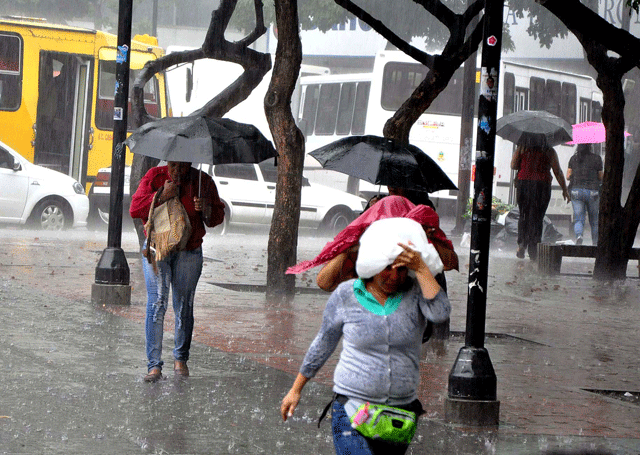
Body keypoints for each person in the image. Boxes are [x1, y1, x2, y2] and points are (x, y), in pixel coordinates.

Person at [281, 218, 451, 455]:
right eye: (387, 268)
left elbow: (441, 313)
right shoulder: (346, 295)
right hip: (352, 409)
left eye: (402, 269)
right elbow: (324, 342)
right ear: (373, 265)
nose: (394, 276)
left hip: (399, 415)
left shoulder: (415, 293)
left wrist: (422, 268)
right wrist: (296, 389)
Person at [130, 161, 225, 382]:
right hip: (157, 249)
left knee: (184, 305)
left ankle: (180, 359)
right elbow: (135, 208)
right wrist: (162, 194)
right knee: (157, 302)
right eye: (173, 166)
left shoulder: (203, 182)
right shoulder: (155, 177)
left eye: (182, 167)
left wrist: (206, 209)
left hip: (189, 251)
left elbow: (216, 218)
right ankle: (154, 365)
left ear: (189, 164)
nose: (176, 171)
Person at [511, 137, 570, 260]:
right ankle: (533, 249)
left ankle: (521, 245)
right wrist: (564, 189)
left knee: (524, 214)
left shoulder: (522, 148)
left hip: (524, 183)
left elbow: (513, 165)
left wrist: (522, 155)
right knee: (537, 217)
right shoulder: (549, 151)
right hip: (541, 186)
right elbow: (557, 171)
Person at [567, 143, 603, 245]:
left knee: (578, 218)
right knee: (594, 220)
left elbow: (568, 176)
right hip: (592, 191)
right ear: (590, 147)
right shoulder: (597, 158)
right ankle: (595, 243)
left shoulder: (574, 159)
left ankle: (579, 236)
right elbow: (600, 177)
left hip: (576, 191)